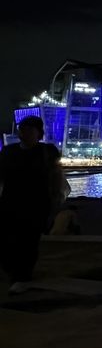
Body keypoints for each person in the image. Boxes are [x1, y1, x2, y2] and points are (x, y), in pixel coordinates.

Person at [0, 116, 66, 294]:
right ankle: (14, 271)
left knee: (28, 242)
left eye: (30, 129)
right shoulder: (8, 152)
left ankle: (21, 277)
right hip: (9, 203)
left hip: (37, 205)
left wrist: (56, 201)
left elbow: (57, 177)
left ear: (39, 133)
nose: (25, 132)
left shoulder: (47, 151)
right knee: (6, 241)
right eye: (22, 129)